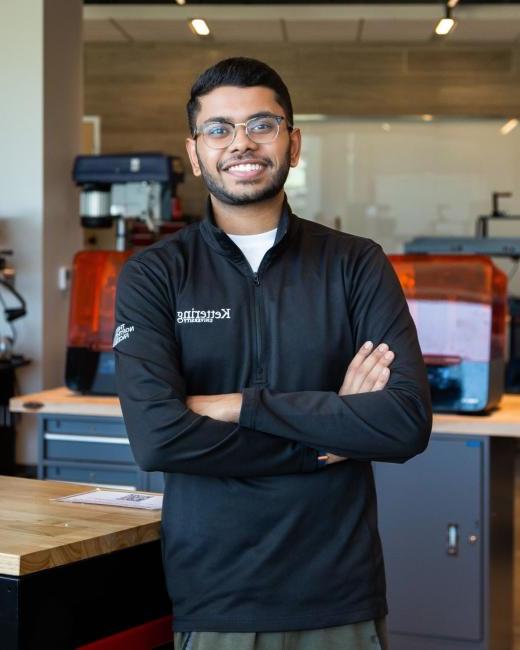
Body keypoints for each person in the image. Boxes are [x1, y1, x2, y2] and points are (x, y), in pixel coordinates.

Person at [114, 57, 432, 650]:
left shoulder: (355, 263)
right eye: (220, 128)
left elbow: (404, 423)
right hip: (215, 597)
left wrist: (233, 405)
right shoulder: (155, 274)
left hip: (340, 592)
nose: (242, 143)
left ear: (293, 141)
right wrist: (327, 434)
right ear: (195, 150)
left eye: (262, 124)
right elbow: (157, 437)